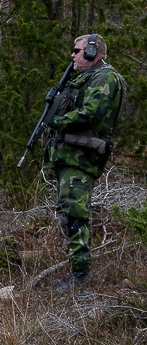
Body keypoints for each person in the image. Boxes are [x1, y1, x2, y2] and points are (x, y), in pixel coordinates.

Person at [43, 33, 125, 290]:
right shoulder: (81, 79)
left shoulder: (105, 77)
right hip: (69, 156)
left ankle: (81, 276)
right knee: (67, 214)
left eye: (77, 50)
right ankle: (77, 272)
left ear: (92, 52)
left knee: (75, 215)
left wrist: (57, 120)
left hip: (81, 158)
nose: (73, 55)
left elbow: (92, 112)